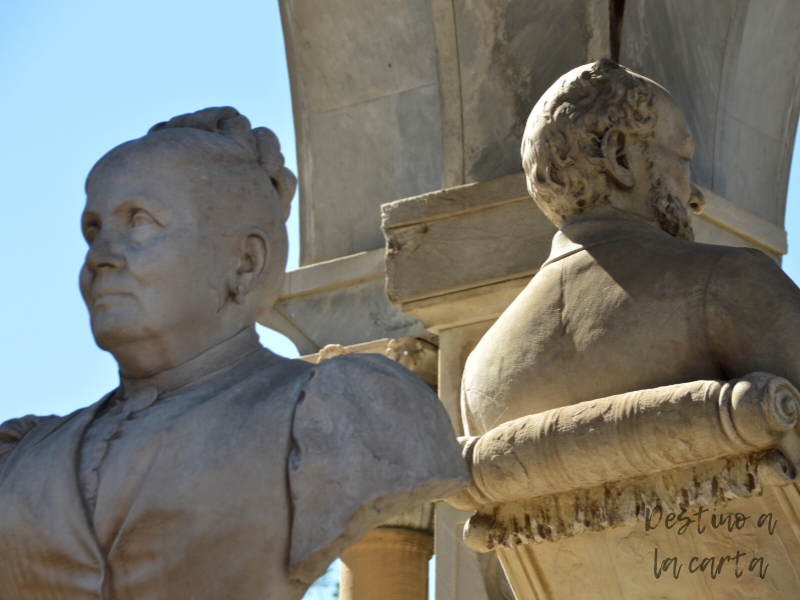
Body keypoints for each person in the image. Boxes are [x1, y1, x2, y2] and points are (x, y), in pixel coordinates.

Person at [0, 107, 468, 600]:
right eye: (93, 230)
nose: (100, 257)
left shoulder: (344, 412)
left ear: (246, 262)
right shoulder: (22, 453)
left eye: (139, 222)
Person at [461, 59, 800, 436]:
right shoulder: (731, 282)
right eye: (683, 159)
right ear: (619, 156)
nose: (697, 198)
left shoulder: (481, 370)